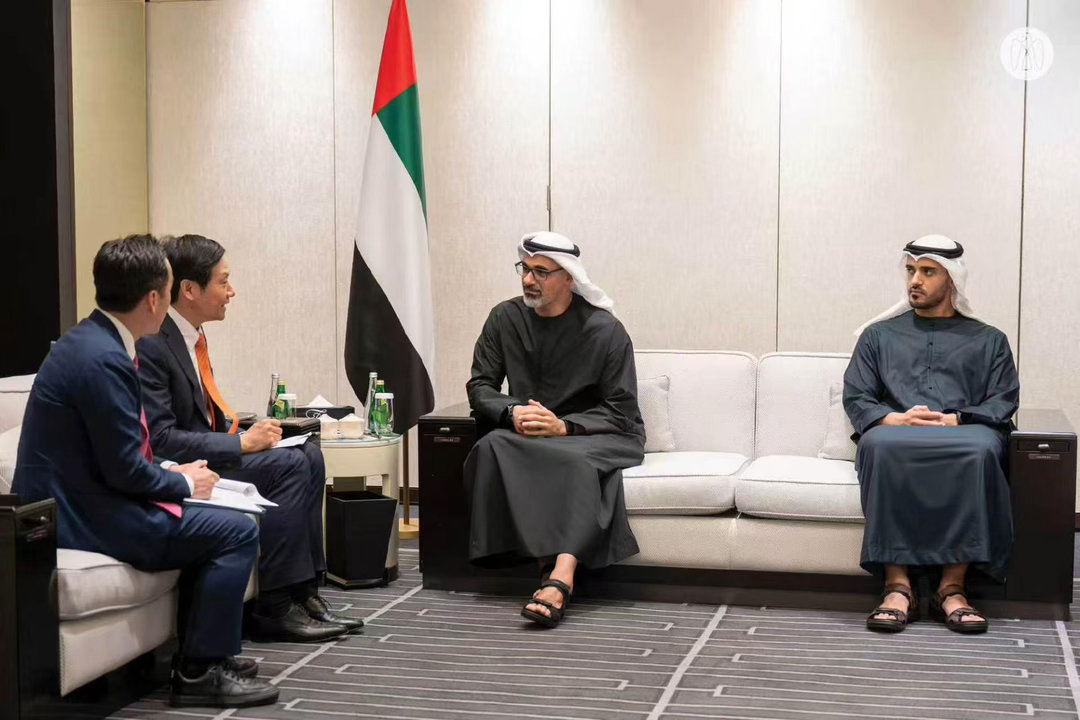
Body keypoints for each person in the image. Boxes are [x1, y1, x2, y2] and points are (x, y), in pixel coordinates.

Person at [13, 235, 278, 708]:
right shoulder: (103, 360)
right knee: (235, 530)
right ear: (154, 298)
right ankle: (200, 673)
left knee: (220, 519)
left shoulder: (91, 340)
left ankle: (206, 654)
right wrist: (184, 482)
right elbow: (125, 473)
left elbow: (119, 453)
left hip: (84, 500)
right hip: (83, 517)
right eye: (170, 291)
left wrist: (173, 468)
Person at [136, 234, 360, 642]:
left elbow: (203, 415)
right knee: (289, 465)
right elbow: (163, 439)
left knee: (309, 453)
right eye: (223, 282)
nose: (231, 292)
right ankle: (275, 606)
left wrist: (247, 432)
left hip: (210, 448)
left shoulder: (191, 335)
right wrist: (239, 443)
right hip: (185, 467)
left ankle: (304, 590)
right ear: (189, 289)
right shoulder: (153, 344)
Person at [464, 231, 645, 628]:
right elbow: (481, 386)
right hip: (529, 434)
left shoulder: (605, 330)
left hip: (598, 433)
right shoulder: (504, 318)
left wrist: (565, 426)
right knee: (492, 445)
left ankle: (560, 575)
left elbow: (621, 409)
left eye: (542, 272)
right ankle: (547, 568)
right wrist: (512, 412)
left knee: (575, 462)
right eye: (525, 269)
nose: (529, 280)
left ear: (569, 278)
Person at [844, 235, 1019, 635]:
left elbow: (1003, 399)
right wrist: (892, 419)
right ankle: (897, 586)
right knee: (879, 447)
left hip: (965, 433)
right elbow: (857, 395)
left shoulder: (990, 340)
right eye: (910, 271)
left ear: (952, 279)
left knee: (981, 451)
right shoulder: (878, 336)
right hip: (895, 434)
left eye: (927, 272)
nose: (915, 281)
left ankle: (952, 588)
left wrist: (959, 418)